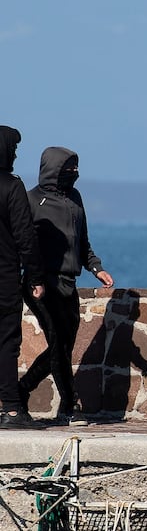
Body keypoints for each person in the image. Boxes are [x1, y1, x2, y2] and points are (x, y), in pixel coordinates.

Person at [19, 147, 115, 426]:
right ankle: (70, 406)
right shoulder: (31, 201)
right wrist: (30, 278)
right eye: (69, 169)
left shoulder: (75, 198)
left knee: (63, 346)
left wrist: (96, 267)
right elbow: (22, 243)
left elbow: (81, 240)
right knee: (59, 343)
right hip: (40, 284)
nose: (75, 174)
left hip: (68, 283)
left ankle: (22, 389)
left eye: (76, 168)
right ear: (53, 170)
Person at [0, 125, 46, 429]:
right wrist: (35, 277)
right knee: (6, 341)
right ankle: (13, 409)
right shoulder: (11, 186)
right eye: (14, 149)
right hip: (3, 278)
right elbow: (25, 237)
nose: (16, 155)